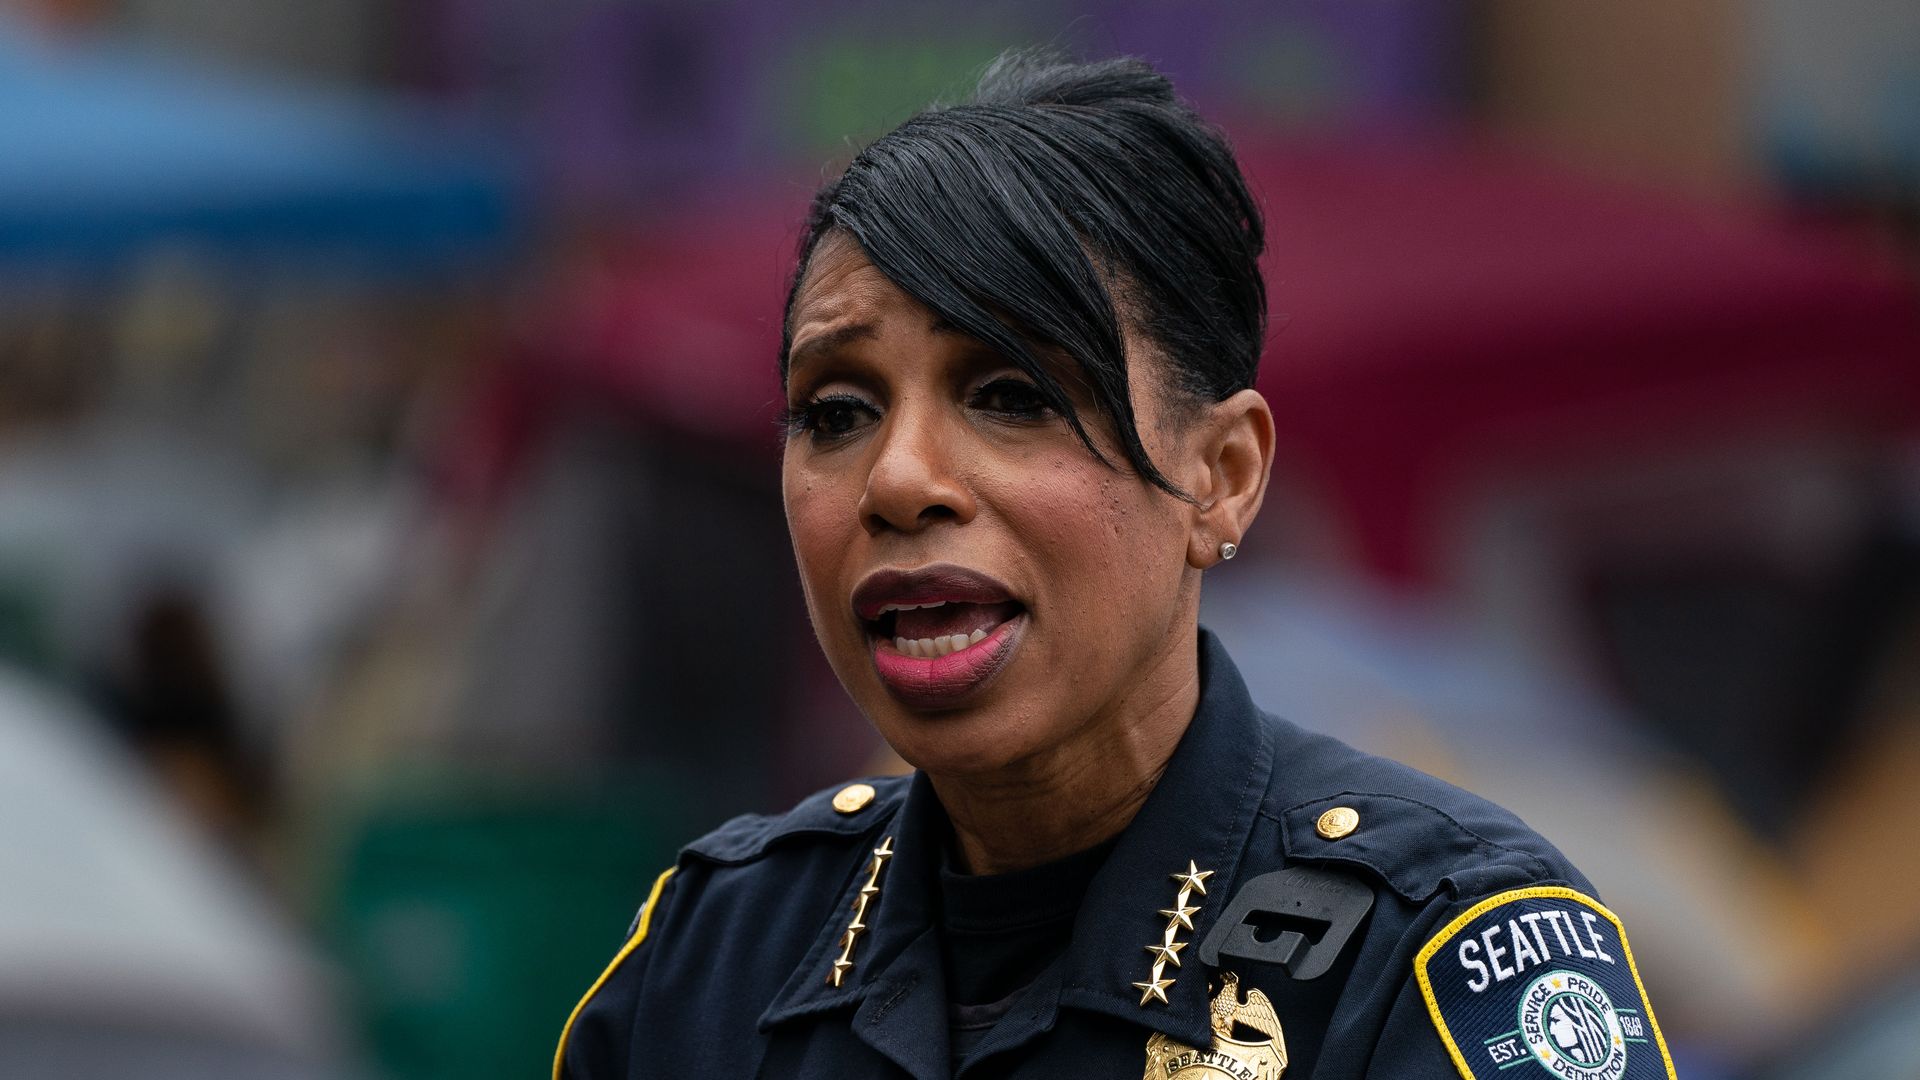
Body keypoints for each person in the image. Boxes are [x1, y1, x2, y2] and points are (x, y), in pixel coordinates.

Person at [553, 52, 1677, 1080]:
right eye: (835, 411)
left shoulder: (1430, 952)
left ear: (1223, 475)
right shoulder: (715, 956)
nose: (896, 480)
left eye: (1012, 397)